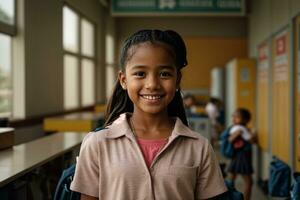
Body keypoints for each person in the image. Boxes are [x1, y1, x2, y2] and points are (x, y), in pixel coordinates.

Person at [70, 29, 227, 200]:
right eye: (140, 74)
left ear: (177, 80)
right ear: (123, 80)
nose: (152, 84)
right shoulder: (97, 143)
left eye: (164, 74)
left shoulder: (199, 147)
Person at [227, 108, 257, 200]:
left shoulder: (237, 128)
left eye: (237, 117)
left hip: (237, 156)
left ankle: (229, 197)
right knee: (249, 182)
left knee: (231, 180)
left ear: (245, 119)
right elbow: (251, 140)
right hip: (242, 157)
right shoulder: (240, 128)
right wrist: (253, 134)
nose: (234, 119)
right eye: (233, 117)